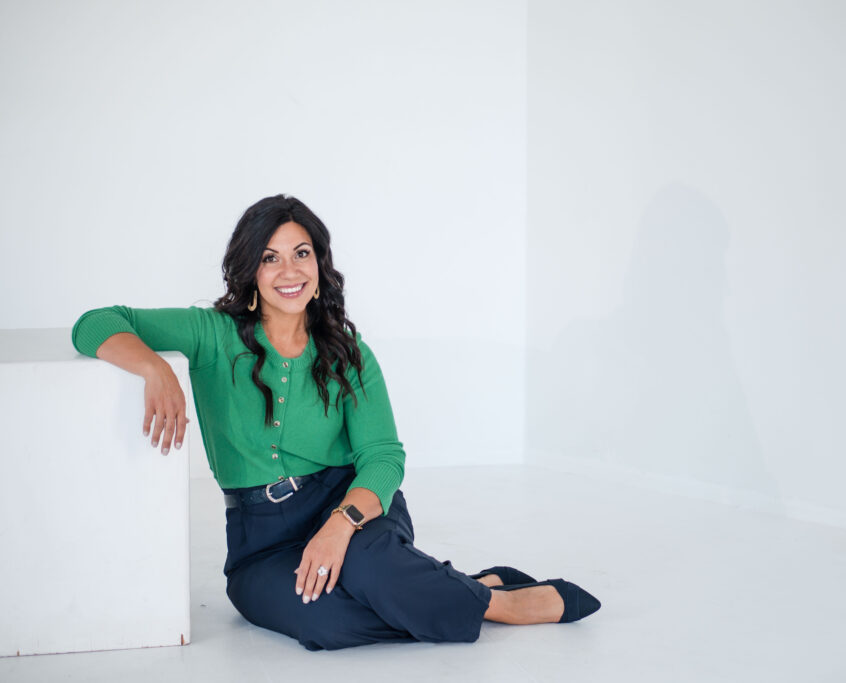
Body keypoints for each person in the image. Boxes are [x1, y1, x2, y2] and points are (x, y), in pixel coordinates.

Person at [70, 194, 600, 650]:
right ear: (251, 270)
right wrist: (155, 367)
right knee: (323, 622)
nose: (289, 270)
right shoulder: (212, 334)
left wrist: (338, 526)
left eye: (302, 254)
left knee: (374, 571)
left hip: (351, 509)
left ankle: (499, 607)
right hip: (260, 544)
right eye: (271, 257)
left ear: (319, 266)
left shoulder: (348, 353)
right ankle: (469, 589)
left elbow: (384, 457)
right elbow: (95, 322)